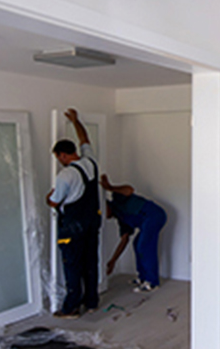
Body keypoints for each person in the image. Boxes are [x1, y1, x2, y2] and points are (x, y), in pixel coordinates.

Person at [46, 108, 101, 319]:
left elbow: (54, 202)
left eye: (58, 157)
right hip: (92, 222)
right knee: (90, 262)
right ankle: (92, 302)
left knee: (72, 265)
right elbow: (84, 139)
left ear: (62, 155)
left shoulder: (65, 175)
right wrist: (76, 121)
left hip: (73, 226)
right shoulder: (91, 161)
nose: (59, 160)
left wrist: (48, 197)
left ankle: (71, 308)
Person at [101, 174, 167, 293]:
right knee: (137, 243)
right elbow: (124, 240)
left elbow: (129, 190)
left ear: (106, 205)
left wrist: (110, 187)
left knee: (144, 245)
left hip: (154, 215)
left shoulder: (117, 198)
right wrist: (113, 261)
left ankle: (152, 282)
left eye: (103, 212)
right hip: (147, 221)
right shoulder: (121, 219)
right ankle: (143, 278)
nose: (103, 216)